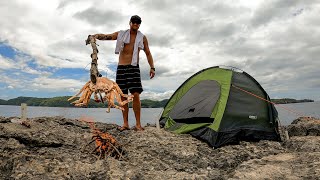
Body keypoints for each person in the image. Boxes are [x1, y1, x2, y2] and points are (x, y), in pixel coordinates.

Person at [92, 15, 155, 131]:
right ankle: (125, 123)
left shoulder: (142, 37)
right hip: (121, 68)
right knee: (122, 95)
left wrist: (152, 67)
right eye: (134, 22)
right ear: (130, 22)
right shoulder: (121, 34)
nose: (136, 24)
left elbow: (148, 53)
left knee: (136, 95)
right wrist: (96, 36)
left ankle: (138, 124)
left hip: (134, 68)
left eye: (138, 22)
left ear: (139, 24)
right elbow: (109, 36)